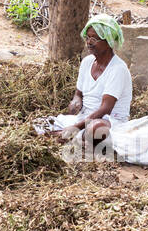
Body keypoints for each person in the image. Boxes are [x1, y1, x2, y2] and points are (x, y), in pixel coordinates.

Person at [56, 14, 133, 146]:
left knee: (95, 130)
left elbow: (105, 109)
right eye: (88, 37)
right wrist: (76, 101)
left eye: (95, 39)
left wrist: (76, 128)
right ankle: (80, 138)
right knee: (41, 124)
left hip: (109, 121)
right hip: (85, 118)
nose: (89, 42)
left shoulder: (118, 69)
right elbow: (78, 93)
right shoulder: (87, 62)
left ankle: (80, 137)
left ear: (109, 41)